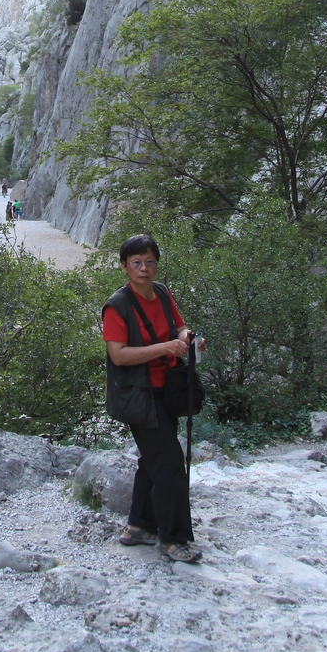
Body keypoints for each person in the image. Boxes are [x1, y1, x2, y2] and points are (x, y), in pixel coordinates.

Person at [102, 234, 206, 564]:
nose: (144, 268)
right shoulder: (117, 306)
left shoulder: (161, 293)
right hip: (139, 396)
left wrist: (188, 338)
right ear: (124, 266)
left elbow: (178, 327)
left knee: (153, 461)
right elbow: (118, 355)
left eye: (150, 262)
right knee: (171, 465)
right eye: (136, 263)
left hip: (167, 391)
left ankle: (140, 526)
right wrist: (165, 348)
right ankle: (173, 538)